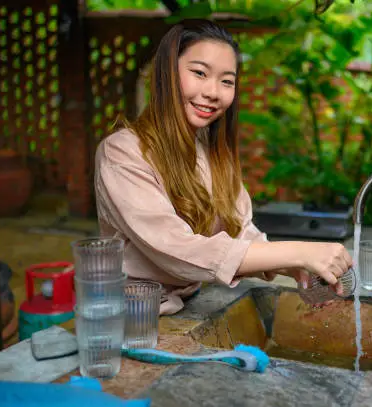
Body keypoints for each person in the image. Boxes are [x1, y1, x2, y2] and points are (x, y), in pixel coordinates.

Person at [94, 19, 353, 315]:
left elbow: (239, 231)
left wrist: (291, 265)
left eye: (226, 81)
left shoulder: (211, 152)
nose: (213, 91)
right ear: (166, 74)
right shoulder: (122, 153)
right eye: (200, 73)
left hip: (187, 307)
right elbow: (177, 249)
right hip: (129, 317)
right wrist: (298, 250)